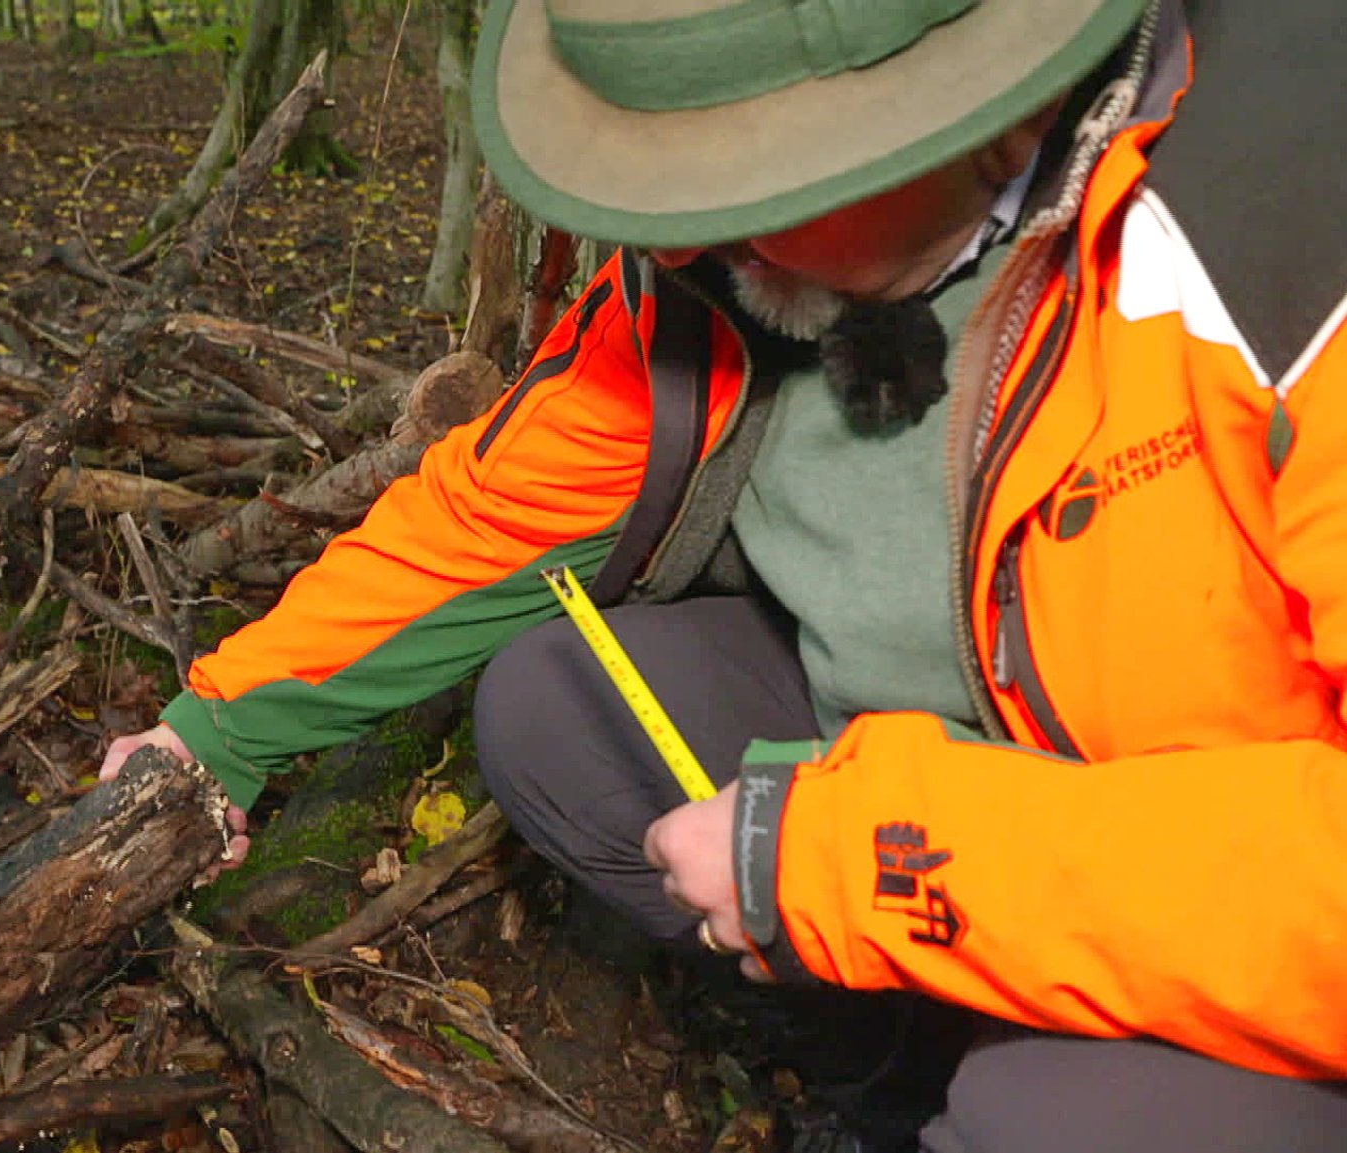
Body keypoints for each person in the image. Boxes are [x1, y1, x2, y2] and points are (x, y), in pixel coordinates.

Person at [105, 0, 1347, 1148]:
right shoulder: (720, 266)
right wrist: (213, 734)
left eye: (756, 173)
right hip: (895, 793)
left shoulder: (1284, 223)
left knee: (1079, 1118)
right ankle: (884, 1071)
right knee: (561, 708)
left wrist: (846, 862)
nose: (682, 228)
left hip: (1204, 866)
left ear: (984, 115)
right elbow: (493, 508)